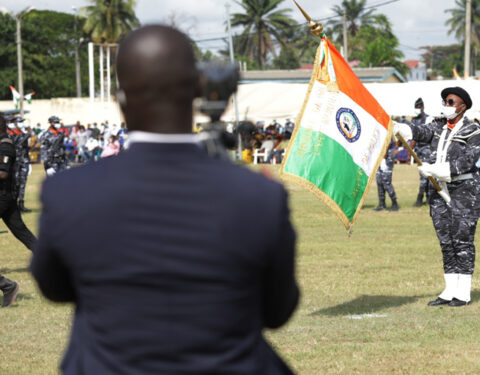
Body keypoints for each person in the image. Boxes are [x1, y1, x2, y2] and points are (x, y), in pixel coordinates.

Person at [31, 25, 299, 374]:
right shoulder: (259, 195)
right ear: (197, 89)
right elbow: (277, 311)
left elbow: (54, 288)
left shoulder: (68, 192)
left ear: (120, 99)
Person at [395, 86, 480, 307]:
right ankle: (449, 289)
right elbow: (419, 132)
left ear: (463, 105)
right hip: (437, 189)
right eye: (445, 101)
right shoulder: (437, 126)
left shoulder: (473, 130)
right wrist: (399, 127)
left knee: (462, 240)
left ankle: (463, 292)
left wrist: (436, 169)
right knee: (445, 240)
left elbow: (467, 161)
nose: (446, 105)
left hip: (463, 190)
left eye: (451, 102)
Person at [0, 116, 37, 307]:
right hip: (6, 197)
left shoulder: (5, 145)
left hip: (3, 196)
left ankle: (6, 285)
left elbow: (3, 173)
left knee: (21, 231)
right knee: (21, 231)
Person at [411, 97, 432, 207]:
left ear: (423, 107)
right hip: (418, 151)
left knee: (425, 174)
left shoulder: (428, 119)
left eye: (419, 107)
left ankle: (420, 198)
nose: (417, 109)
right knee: (423, 174)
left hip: (427, 150)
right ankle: (428, 197)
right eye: (416, 107)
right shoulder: (414, 120)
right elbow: (412, 136)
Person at [373, 142, 399, 211]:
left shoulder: (386, 131)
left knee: (386, 182)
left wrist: (385, 152)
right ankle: (382, 205)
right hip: (379, 154)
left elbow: (388, 141)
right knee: (379, 181)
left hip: (387, 155)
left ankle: (395, 204)